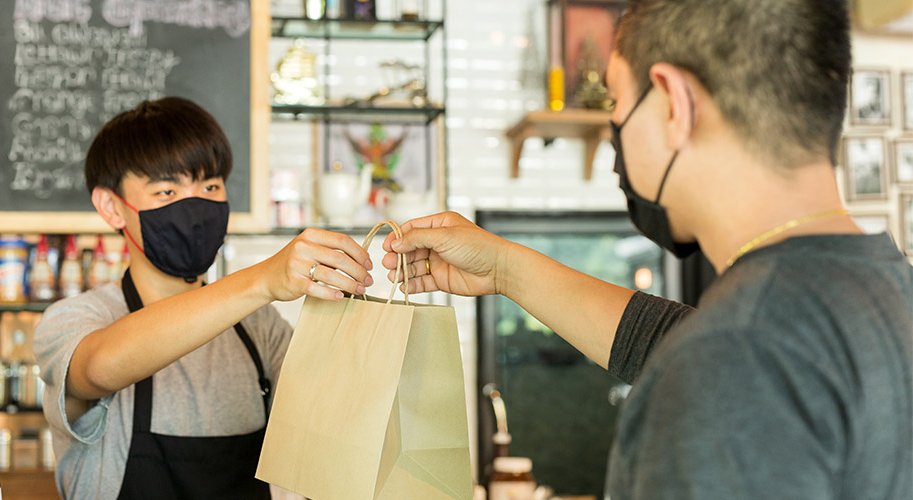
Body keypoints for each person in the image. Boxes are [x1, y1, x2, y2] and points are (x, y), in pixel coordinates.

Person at [383, 0, 913, 498]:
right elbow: (671, 337)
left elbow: (717, 351)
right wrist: (503, 266)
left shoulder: (735, 355)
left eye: (617, 100)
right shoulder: (884, 293)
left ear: (674, 104)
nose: (616, 128)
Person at [34, 97, 375, 499]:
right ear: (111, 207)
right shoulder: (78, 318)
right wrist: (262, 281)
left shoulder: (259, 329)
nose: (195, 206)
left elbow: (329, 427)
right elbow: (98, 369)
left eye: (210, 186)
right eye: (166, 190)